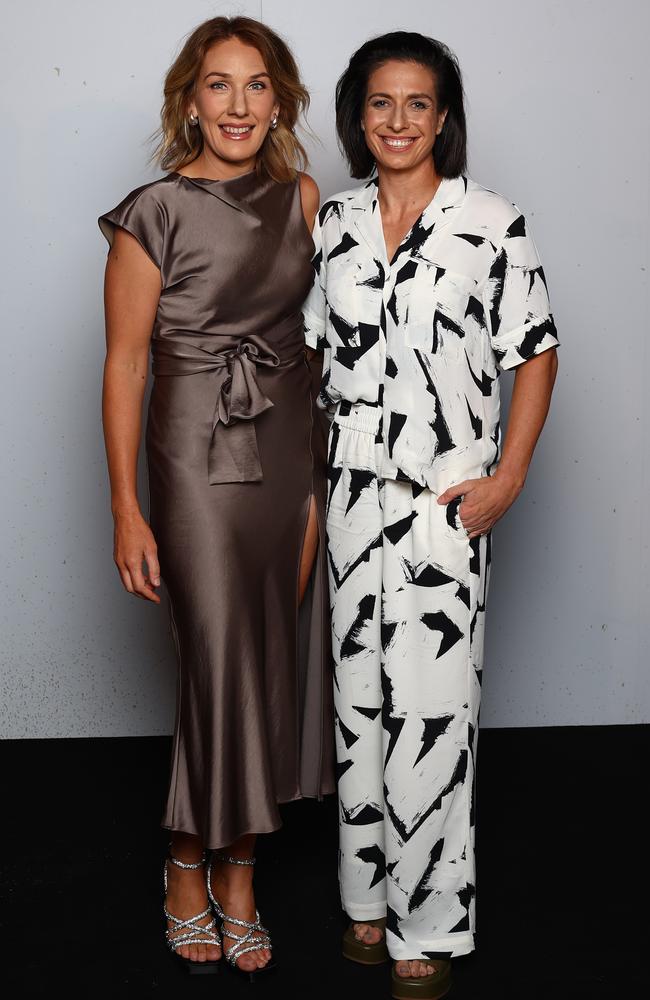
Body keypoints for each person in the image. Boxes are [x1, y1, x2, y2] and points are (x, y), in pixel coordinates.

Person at [303, 31, 559, 1000]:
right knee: (357, 701)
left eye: (416, 103)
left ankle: (428, 921)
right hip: (347, 498)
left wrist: (508, 476)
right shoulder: (330, 222)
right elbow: (311, 360)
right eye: (379, 103)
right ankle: (363, 902)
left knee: (430, 712)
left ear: (442, 115)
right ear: (355, 115)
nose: (397, 121)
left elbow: (532, 349)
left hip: (440, 505)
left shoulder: (486, 219)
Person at [99, 15, 333, 979]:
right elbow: (122, 367)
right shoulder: (151, 210)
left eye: (257, 86)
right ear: (188, 98)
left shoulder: (306, 198)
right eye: (217, 85)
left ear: (279, 98)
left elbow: (326, 346)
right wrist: (126, 508)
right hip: (194, 450)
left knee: (275, 652)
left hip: (288, 445)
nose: (238, 105)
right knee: (215, 657)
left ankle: (236, 863)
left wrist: (320, 485)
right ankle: (192, 864)